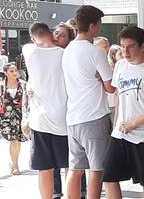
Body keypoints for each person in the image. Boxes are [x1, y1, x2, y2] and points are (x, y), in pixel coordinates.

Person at [102, 27, 144, 199]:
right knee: (109, 176)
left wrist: (133, 123)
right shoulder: (120, 66)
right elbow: (118, 97)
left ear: (142, 46)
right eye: (123, 47)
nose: (126, 51)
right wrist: (117, 124)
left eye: (131, 46)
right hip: (120, 134)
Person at [62, 5, 115, 199]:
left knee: (75, 170)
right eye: (99, 24)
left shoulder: (67, 51)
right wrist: (101, 79)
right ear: (93, 25)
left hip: (73, 118)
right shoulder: (95, 52)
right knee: (97, 169)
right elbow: (111, 87)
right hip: (94, 117)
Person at [24, 22, 69, 199]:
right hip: (63, 117)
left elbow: (36, 43)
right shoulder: (65, 54)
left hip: (39, 119)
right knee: (69, 166)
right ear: (50, 33)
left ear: (33, 37)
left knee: (44, 169)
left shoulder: (29, 51)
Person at [52, 21, 85, 199]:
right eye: (56, 33)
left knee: (75, 155)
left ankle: (80, 191)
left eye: (62, 35)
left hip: (72, 109)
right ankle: (57, 191)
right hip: (52, 113)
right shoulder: (44, 54)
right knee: (56, 155)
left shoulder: (71, 55)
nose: (57, 36)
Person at [0, 62, 29, 175]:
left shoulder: (23, 85)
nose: (15, 73)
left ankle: (13, 163)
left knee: (18, 141)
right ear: (6, 73)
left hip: (19, 116)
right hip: (6, 117)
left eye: (16, 70)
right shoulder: (0, 86)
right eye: (11, 71)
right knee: (14, 140)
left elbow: (29, 101)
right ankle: (16, 166)